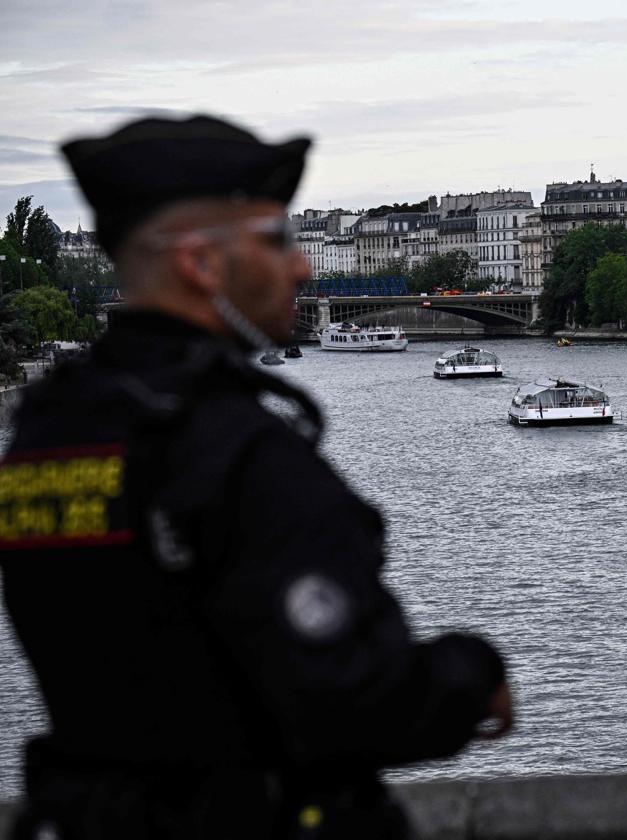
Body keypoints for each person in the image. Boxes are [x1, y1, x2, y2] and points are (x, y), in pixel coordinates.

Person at [0, 115, 512, 839]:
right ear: (202, 266)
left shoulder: (44, 437)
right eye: (275, 241)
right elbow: (353, 698)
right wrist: (473, 675)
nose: (302, 268)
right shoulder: (229, 447)